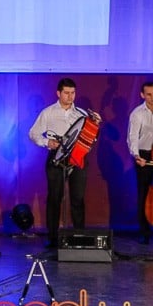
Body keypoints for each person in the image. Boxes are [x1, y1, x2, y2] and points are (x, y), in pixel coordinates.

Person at [28, 77, 101, 249]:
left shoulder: (82, 114)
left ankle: (79, 236)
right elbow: (33, 133)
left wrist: (95, 124)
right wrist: (47, 142)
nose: (70, 96)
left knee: (78, 198)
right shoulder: (48, 112)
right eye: (67, 93)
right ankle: (52, 237)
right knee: (54, 198)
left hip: (78, 158)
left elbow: (91, 137)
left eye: (73, 93)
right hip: (56, 157)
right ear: (58, 93)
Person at [127, 81, 153, 244]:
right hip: (144, 155)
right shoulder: (137, 114)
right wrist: (137, 156)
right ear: (142, 95)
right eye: (149, 94)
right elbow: (132, 138)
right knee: (143, 194)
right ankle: (144, 231)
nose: (152, 98)